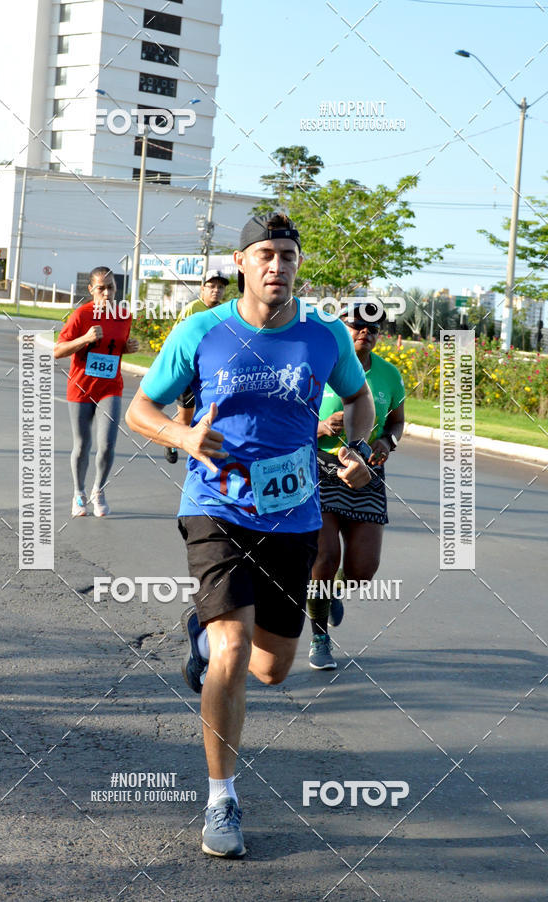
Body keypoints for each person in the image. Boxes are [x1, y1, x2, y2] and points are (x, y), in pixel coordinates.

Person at [125, 213, 375, 858]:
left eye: (288, 255)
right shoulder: (202, 331)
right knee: (233, 651)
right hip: (218, 507)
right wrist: (181, 436)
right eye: (264, 253)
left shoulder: (323, 337)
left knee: (270, 670)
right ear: (241, 262)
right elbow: (140, 408)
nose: (277, 265)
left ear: (297, 264)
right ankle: (222, 800)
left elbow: (359, 398)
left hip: (293, 516)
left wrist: (355, 447)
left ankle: (203, 639)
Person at [307, 300, 405, 670]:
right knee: (325, 557)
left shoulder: (390, 374)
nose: (366, 332)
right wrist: (318, 427)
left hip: (366, 469)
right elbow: (285, 415)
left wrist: (387, 442)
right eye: (357, 325)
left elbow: (396, 422)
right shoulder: (319, 362)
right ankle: (319, 636)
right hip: (319, 466)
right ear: (341, 328)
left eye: (374, 328)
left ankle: (329, 594)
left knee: (363, 569)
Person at [54, 266, 139, 517]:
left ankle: (98, 490)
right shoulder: (82, 315)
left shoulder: (124, 315)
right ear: (91, 290)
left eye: (111, 287)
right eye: (101, 288)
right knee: (82, 445)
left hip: (110, 387)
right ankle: (78, 494)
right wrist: (84, 339)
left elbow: (114, 347)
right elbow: (58, 351)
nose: (107, 292)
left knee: (107, 444)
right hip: (81, 388)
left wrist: (127, 348)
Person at [165, 269, 229, 464]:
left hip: (208, 371)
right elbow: (181, 340)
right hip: (188, 369)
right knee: (185, 418)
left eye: (220, 287)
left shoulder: (223, 312)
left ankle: (206, 448)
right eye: (211, 286)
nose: (216, 290)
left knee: (210, 412)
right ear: (202, 289)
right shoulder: (193, 309)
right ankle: (171, 440)